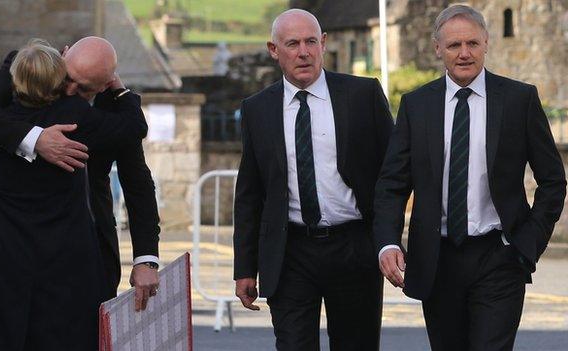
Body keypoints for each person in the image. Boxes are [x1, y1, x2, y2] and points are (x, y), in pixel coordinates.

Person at [373, 5, 567, 351]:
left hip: (500, 257)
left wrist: (528, 242)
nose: (464, 53)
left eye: (473, 44)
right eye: (454, 46)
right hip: (437, 259)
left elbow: (552, 179)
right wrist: (388, 241)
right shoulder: (416, 105)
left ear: (486, 43)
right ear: (437, 49)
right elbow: (392, 183)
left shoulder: (519, 100)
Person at [0, 39, 147, 350]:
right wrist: (121, 90)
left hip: (3, 251)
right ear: (59, 66)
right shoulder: (76, 118)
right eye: (68, 80)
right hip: (63, 258)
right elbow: (133, 126)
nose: (72, 89)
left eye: (83, 86)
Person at [233, 9, 393, 350]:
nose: (303, 52)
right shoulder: (257, 109)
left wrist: (389, 240)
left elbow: (393, 174)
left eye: (310, 42)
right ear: (274, 50)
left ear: (323, 43)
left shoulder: (362, 95)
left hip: (354, 247)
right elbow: (250, 193)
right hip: (290, 251)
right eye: (292, 44)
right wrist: (245, 268)